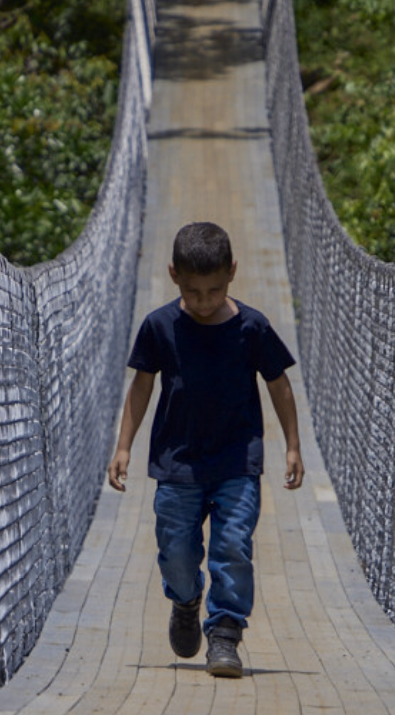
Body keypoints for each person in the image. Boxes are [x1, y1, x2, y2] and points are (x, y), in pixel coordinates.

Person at [107, 222, 303, 678]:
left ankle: (225, 634)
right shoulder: (159, 326)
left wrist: (292, 445)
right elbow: (140, 387)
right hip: (178, 463)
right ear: (173, 274)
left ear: (232, 273)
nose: (203, 301)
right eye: (193, 291)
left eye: (214, 290)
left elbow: (280, 385)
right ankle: (185, 599)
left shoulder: (251, 327)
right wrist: (123, 447)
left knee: (233, 546)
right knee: (177, 553)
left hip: (237, 460)